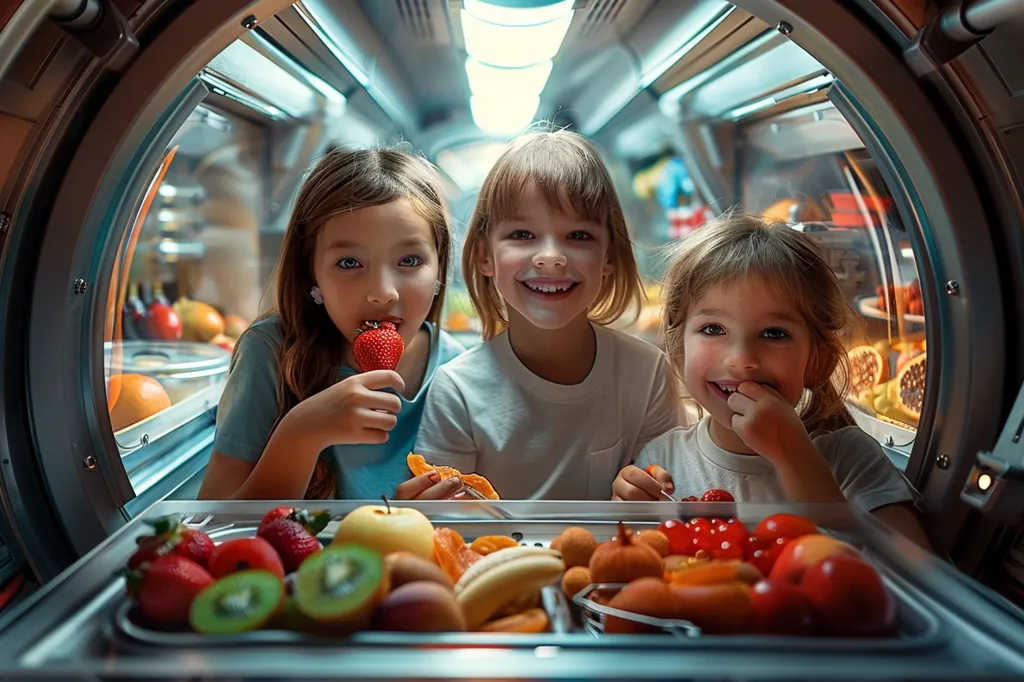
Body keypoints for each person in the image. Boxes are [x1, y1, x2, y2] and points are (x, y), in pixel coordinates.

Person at [613, 213, 931, 547]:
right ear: (680, 350)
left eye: (774, 333)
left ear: (819, 361)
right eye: (713, 329)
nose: (741, 359)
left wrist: (793, 454)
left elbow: (917, 575)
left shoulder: (850, 458)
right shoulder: (662, 460)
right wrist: (626, 516)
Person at [412, 129, 684, 500]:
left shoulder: (647, 373)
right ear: (484, 256)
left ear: (608, 257)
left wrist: (644, 495)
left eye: (578, 236)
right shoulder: (458, 390)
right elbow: (448, 528)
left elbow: (670, 496)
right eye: (523, 235)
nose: (551, 256)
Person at [197, 147, 465, 501]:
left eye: (410, 260)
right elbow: (209, 523)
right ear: (313, 273)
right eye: (350, 263)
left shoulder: (457, 369)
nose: (382, 293)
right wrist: (301, 433)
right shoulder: (268, 354)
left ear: (439, 270)